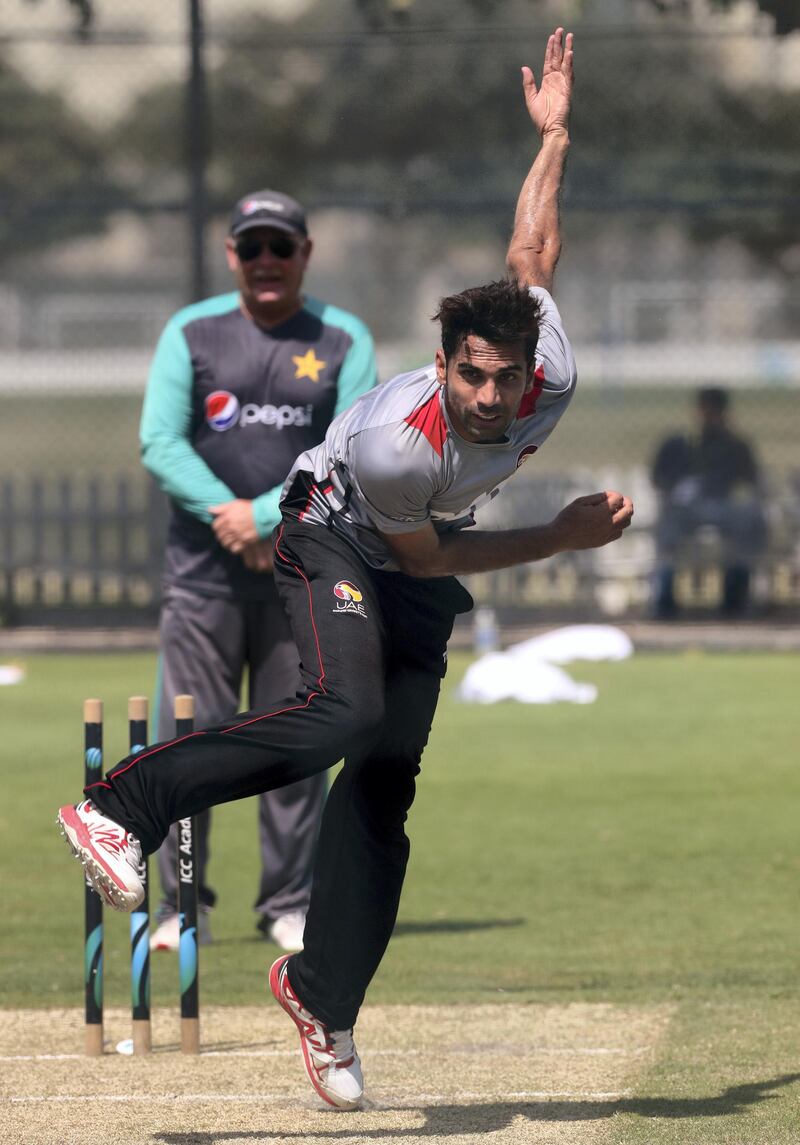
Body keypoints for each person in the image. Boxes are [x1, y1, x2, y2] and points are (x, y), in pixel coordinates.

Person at [58, 29, 633, 1110]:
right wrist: (557, 536)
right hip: (336, 528)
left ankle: (318, 998)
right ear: (443, 361)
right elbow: (423, 549)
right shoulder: (399, 441)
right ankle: (122, 807)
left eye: (503, 381)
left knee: (383, 788)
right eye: (469, 377)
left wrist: (553, 137)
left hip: (417, 554)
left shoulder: (547, 365)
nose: (487, 399)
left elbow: (532, 251)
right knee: (339, 708)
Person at [140, 189, 378, 953]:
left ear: (306, 253)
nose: (267, 261)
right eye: (253, 248)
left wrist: (267, 518)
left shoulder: (344, 339)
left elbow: (358, 448)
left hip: (300, 574)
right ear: (231, 255)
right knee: (190, 736)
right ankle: (183, 904)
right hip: (203, 579)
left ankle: (289, 900)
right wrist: (230, 514)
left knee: (295, 741)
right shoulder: (193, 331)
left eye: (282, 246)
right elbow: (160, 441)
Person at [650, 386, 766, 619]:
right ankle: (664, 601)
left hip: (724, 508)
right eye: (707, 409)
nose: (710, 415)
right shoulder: (680, 444)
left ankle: (734, 599)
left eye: (716, 410)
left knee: (747, 519)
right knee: (669, 526)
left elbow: (752, 481)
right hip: (686, 510)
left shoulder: (735, 445)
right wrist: (679, 488)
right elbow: (658, 477)